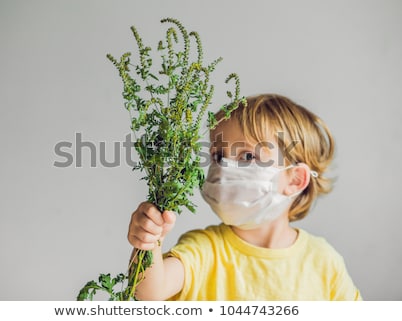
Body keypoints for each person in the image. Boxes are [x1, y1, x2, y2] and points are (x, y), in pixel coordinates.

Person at [127, 94, 362, 300]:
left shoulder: (323, 261)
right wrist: (148, 241)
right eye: (218, 156)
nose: (225, 168)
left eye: (248, 156)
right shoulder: (205, 249)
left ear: (295, 179)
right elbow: (150, 291)